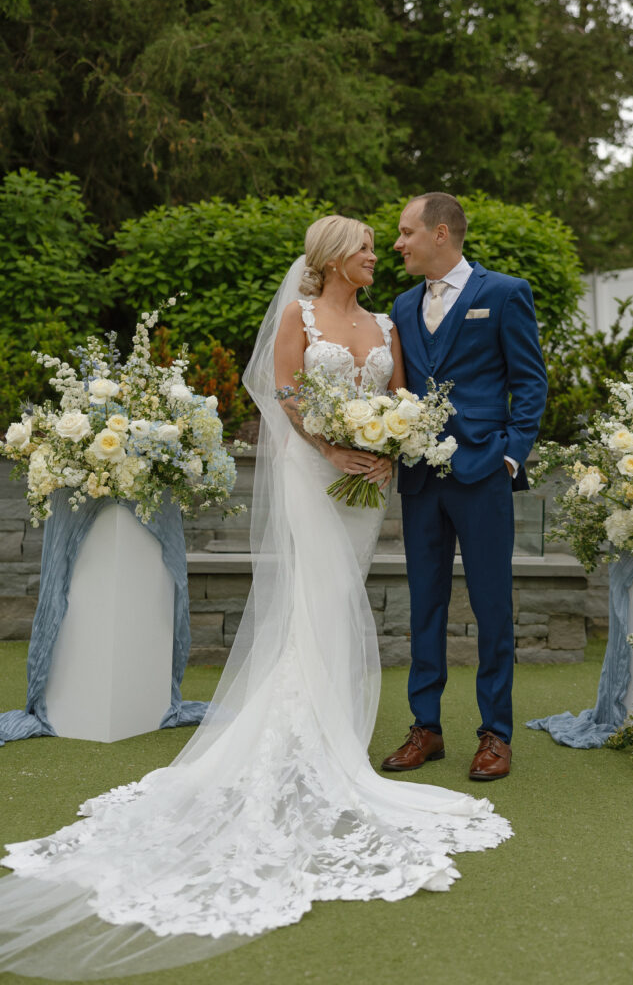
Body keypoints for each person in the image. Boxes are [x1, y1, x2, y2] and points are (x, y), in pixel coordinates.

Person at [0, 215, 512, 981]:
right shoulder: (300, 317)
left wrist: (388, 443)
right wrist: (331, 445)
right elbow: (283, 397)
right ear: (336, 257)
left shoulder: (385, 320)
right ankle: (309, 741)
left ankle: (336, 732)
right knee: (318, 594)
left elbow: (404, 395)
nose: (380, 255)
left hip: (368, 488)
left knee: (341, 599)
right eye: (369, 248)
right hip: (316, 479)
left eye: (385, 242)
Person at [382, 193, 548, 782]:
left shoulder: (503, 293)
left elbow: (530, 383)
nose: (397, 244)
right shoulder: (402, 305)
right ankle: (425, 728)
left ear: (441, 233)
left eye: (406, 233)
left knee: (491, 607)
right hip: (421, 479)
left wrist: (509, 456)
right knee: (423, 604)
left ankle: (494, 734)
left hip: (483, 474)